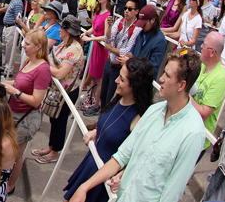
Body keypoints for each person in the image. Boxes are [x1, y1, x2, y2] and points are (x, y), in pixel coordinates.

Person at [68, 49, 206, 202]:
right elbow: (121, 157)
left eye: (167, 75)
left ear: (181, 85)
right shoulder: (154, 111)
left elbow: (171, 194)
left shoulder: (193, 133)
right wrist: (85, 187)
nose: (161, 79)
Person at [63, 57, 156, 202]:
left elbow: (138, 158)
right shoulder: (119, 98)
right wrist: (96, 132)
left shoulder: (138, 119)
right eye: (119, 76)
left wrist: (121, 175)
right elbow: (112, 126)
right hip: (90, 164)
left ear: (136, 85)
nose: (116, 80)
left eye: (122, 79)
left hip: (103, 176)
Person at [0, 28, 52, 195]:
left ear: (39, 46)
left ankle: (10, 185)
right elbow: (19, 82)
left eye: (27, 43)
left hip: (24, 118)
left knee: (16, 154)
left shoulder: (43, 69)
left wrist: (14, 91)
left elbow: (37, 100)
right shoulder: (29, 61)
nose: (23, 45)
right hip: (13, 113)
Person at [33, 14, 84, 164]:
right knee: (54, 120)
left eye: (62, 27)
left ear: (68, 31)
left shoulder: (75, 49)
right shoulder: (64, 44)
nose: (59, 29)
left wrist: (44, 66)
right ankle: (51, 146)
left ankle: (55, 152)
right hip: (57, 91)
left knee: (60, 121)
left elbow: (61, 73)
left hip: (67, 92)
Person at [100, 0, 142, 105]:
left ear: (136, 12)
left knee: (111, 97)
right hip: (109, 63)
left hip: (119, 68)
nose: (126, 11)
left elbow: (127, 50)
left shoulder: (137, 29)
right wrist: (109, 27)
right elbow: (108, 39)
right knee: (103, 94)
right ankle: (100, 118)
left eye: (130, 9)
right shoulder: (119, 21)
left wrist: (110, 48)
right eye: (125, 8)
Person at [193, 32, 225, 158]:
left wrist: (185, 94)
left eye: (204, 45)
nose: (201, 46)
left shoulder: (220, 79)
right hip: (187, 128)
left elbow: (204, 113)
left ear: (212, 52)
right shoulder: (203, 65)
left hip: (196, 138)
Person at [81, 0, 114, 116]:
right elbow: (94, 28)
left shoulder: (108, 15)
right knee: (93, 76)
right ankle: (92, 99)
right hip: (95, 46)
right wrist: (87, 33)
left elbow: (106, 36)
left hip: (100, 48)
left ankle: (96, 105)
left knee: (99, 78)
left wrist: (92, 37)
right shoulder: (99, 12)